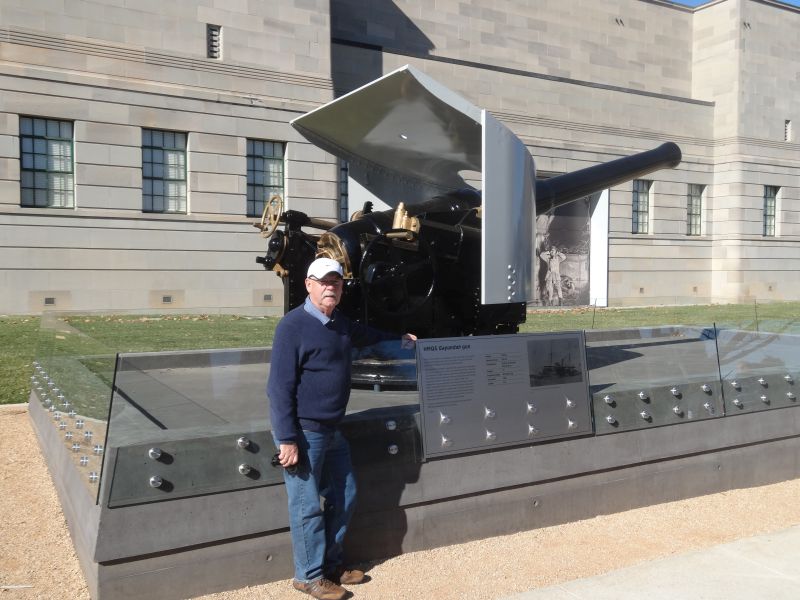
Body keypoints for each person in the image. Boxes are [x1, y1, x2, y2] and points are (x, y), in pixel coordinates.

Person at [268, 257, 417, 600]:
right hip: (303, 433)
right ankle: (307, 576)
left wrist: (401, 339)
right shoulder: (292, 327)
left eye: (335, 282)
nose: (330, 287)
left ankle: (331, 565)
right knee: (306, 506)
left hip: (332, 430)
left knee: (344, 495)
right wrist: (287, 439)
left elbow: (368, 336)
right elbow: (278, 387)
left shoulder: (339, 323)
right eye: (323, 282)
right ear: (308, 284)